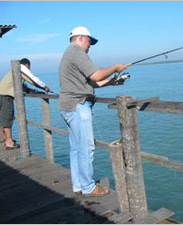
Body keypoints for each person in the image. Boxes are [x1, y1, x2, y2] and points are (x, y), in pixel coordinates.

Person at [58, 26, 130, 197]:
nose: (90, 45)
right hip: (78, 105)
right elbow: (96, 75)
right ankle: (89, 187)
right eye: (90, 41)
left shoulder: (69, 53)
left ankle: (79, 185)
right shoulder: (76, 52)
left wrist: (111, 82)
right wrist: (115, 67)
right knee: (86, 148)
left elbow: (91, 83)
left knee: (76, 148)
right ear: (82, 37)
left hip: (69, 106)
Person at [0, 58, 51, 150]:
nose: (29, 70)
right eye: (29, 67)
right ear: (27, 65)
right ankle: (9, 143)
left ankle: (8, 140)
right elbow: (32, 79)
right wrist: (45, 87)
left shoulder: (15, 71)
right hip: (4, 96)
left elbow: (21, 85)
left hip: (1, 96)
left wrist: (32, 91)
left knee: (6, 118)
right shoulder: (21, 68)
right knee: (7, 119)